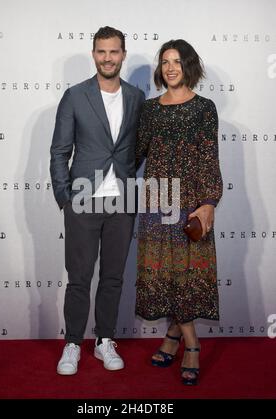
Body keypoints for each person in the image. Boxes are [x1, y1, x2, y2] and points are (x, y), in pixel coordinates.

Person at [50, 26, 145, 375]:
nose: (108, 57)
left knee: (113, 277)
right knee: (79, 277)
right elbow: (60, 151)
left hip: (122, 202)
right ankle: (73, 343)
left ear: (123, 54)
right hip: (82, 202)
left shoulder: (136, 97)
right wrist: (64, 196)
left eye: (114, 51)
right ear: (94, 54)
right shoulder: (75, 96)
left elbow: (135, 150)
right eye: (102, 51)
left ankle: (105, 340)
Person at [135, 39, 223, 385]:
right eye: (165, 61)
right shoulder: (151, 109)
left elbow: (209, 157)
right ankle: (184, 339)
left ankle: (185, 343)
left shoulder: (205, 108)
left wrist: (208, 202)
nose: (170, 67)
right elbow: (136, 153)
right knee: (166, 275)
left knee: (185, 277)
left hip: (192, 201)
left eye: (177, 61)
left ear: (189, 66)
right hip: (158, 200)